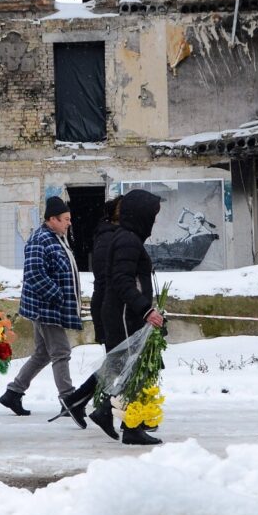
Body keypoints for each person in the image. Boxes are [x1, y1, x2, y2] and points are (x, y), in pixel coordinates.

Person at [0, 196, 82, 417]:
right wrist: (58, 296)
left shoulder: (55, 237)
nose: (69, 223)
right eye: (65, 219)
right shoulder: (40, 240)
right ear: (52, 219)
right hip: (46, 308)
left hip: (50, 306)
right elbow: (35, 274)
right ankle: (68, 399)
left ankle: (13, 392)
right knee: (61, 352)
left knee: (43, 353)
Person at [99, 189, 165, 445]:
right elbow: (122, 280)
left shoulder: (129, 238)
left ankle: (109, 413)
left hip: (126, 313)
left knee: (126, 368)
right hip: (125, 315)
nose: (154, 221)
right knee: (131, 369)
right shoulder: (127, 240)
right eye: (152, 215)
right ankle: (131, 427)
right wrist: (145, 309)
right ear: (140, 215)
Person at [58, 197, 122, 437]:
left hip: (110, 305)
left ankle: (83, 403)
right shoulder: (109, 238)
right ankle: (93, 406)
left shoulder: (114, 235)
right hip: (109, 307)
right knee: (119, 362)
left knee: (118, 362)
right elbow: (111, 278)